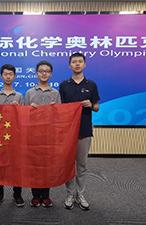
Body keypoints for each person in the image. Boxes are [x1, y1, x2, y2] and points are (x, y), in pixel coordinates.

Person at [59, 52, 100, 210]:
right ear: (70, 65)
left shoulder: (91, 85)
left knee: (82, 165)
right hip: (67, 132)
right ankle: (69, 194)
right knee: (68, 164)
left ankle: (80, 194)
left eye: (80, 61)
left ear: (84, 64)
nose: (77, 64)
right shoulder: (64, 85)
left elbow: (97, 107)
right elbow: (60, 109)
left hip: (84, 130)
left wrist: (91, 105)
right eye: (74, 62)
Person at [25, 60, 61, 207]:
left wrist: (54, 109)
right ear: (36, 73)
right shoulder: (29, 93)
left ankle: (46, 195)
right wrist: (30, 109)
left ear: (50, 74)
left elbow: (60, 115)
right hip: (33, 134)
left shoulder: (55, 93)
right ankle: (35, 195)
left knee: (47, 164)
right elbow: (23, 115)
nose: (44, 73)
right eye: (41, 71)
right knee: (34, 164)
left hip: (49, 134)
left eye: (47, 71)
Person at [0, 64, 25, 208]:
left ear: (14, 76)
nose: (8, 76)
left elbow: (24, 117)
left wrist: (20, 109)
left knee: (16, 164)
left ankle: (17, 194)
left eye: (11, 74)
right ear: (1, 76)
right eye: (5, 74)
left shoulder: (19, 96)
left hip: (15, 135)